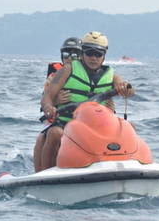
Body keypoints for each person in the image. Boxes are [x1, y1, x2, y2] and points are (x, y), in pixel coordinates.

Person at [38, 31, 134, 172]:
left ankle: (128, 169)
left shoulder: (113, 77)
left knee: (130, 127)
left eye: (98, 54)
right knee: (54, 134)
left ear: (104, 55)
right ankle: (46, 177)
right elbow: (47, 96)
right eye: (89, 53)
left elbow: (129, 91)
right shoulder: (67, 70)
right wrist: (48, 108)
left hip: (99, 127)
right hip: (67, 123)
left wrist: (125, 88)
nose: (93, 58)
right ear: (82, 52)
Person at [33, 37, 82, 172]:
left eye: (74, 54)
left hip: (82, 120)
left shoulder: (86, 75)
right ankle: (41, 175)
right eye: (66, 54)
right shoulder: (55, 76)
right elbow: (45, 100)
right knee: (42, 139)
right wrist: (56, 102)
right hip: (58, 119)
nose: (69, 58)